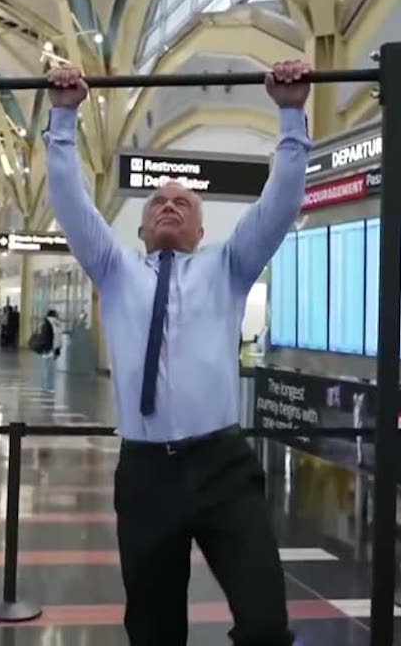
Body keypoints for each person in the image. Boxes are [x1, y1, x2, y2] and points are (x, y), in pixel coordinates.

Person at [44, 60, 311, 646]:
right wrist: (62, 119)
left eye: (183, 204)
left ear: (199, 231)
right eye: (158, 202)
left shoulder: (230, 266)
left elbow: (280, 202)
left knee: (266, 621)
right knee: (154, 627)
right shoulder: (115, 271)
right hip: (145, 474)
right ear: (140, 230)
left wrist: (291, 114)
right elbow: (70, 204)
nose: (170, 206)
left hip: (222, 468)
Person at [38, 309, 63, 391]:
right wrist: (57, 349)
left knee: (46, 368)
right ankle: (48, 387)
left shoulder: (46, 324)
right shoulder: (55, 324)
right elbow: (57, 338)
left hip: (47, 348)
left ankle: (46, 386)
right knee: (49, 369)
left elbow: (44, 337)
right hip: (51, 348)